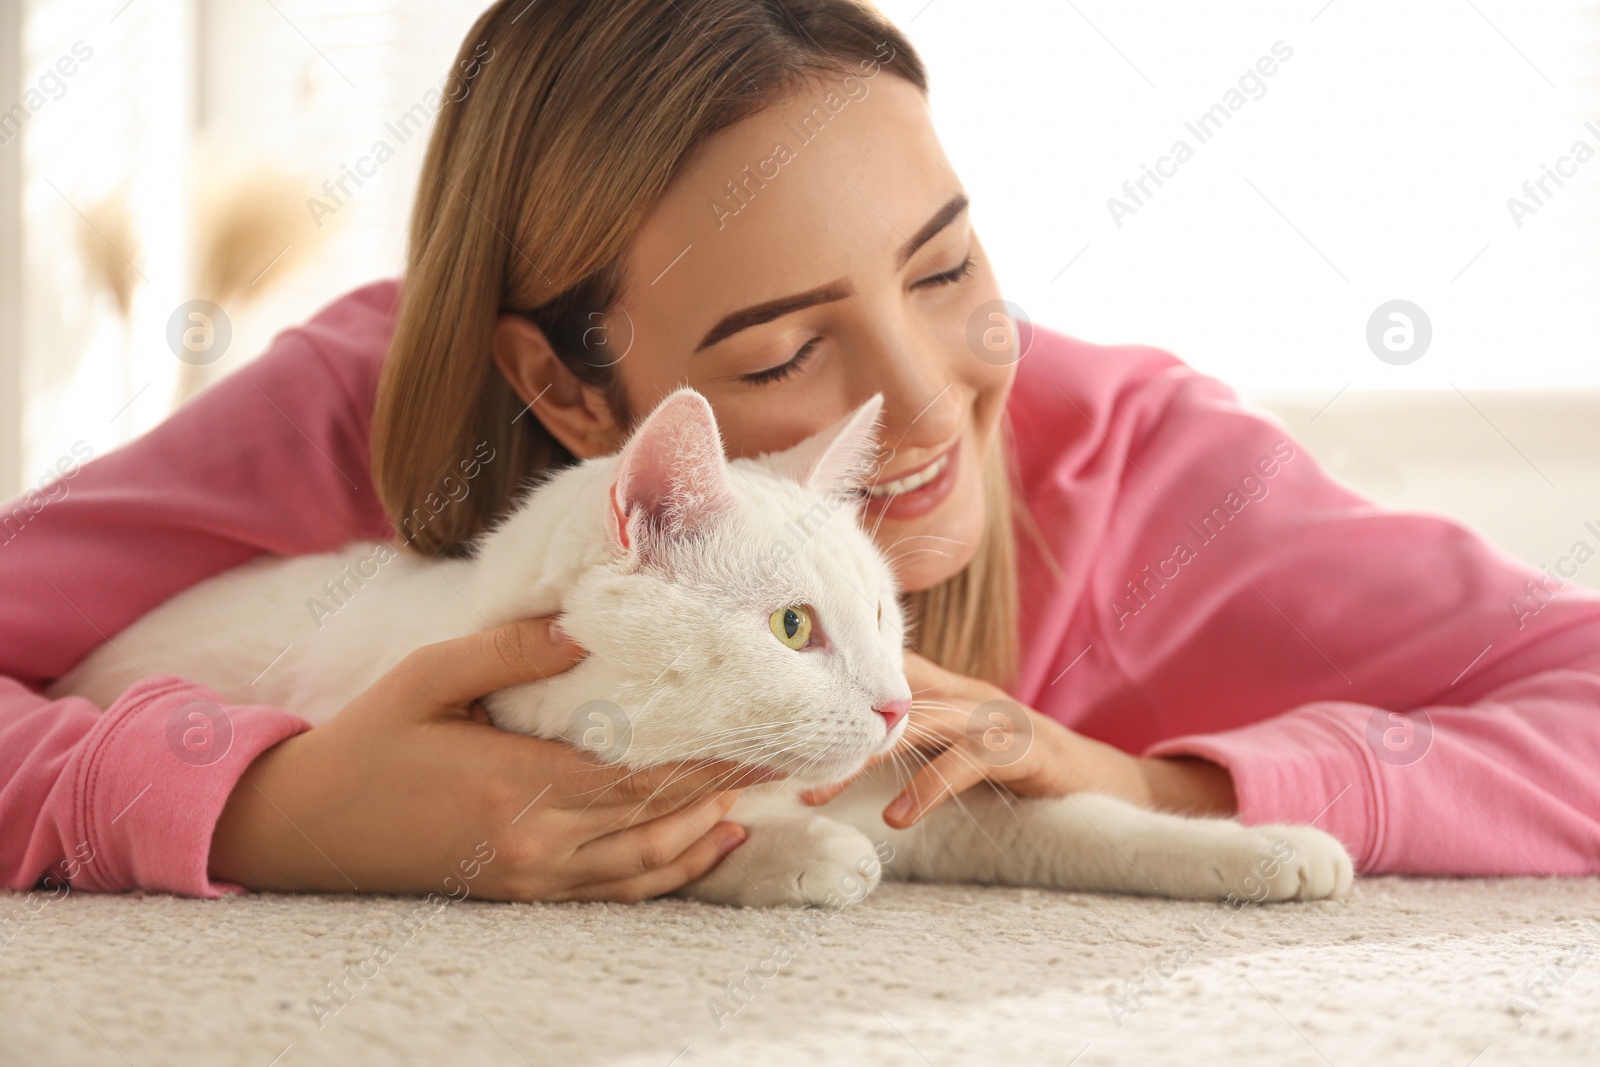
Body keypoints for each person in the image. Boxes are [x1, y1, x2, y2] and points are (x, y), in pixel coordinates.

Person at [4, 0, 1598, 906]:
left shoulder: (1142, 465)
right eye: (780, 350)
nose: (927, 401)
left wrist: (1150, 784)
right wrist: (274, 811)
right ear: (565, 397)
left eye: (951, 269)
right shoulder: (355, 405)